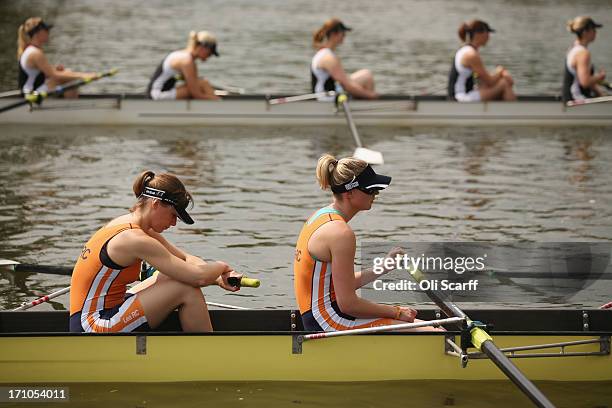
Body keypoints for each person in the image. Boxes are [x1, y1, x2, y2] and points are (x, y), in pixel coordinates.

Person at [69, 170, 240, 333]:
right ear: (156, 204)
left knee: (174, 275)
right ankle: (208, 355)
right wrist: (222, 266)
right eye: (173, 215)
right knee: (186, 287)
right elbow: (198, 277)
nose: (174, 223)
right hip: (93, 325)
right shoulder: (134, 239)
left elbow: (185, 259)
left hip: (98, 313)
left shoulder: (128, 225)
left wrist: (218, 278)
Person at [293, 154, 442, 332]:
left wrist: (384, 267)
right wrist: (396, 312)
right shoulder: (341, 233)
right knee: (436, 333)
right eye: (370, 190)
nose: (376, 194)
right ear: (349, 193)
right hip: (328, 323)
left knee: (430, 326)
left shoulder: (320, 217)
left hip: (320, 316)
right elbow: (348, 304)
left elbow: (339, 286)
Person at [17, 17, 95, 97]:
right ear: (38, 33)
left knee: (67, 73)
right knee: (68, 79)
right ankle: (71, 104)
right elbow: (54, 75)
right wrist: (84, 75)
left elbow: (45, 73)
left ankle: (70, 102)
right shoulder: (35, 53)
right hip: (31, 95)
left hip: (32, 90)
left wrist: (55, 69)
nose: (49, 33)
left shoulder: (32, 50)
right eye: (46, 30)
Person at [448, 20, 516, 102]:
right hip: (460, 98)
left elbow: (484, 81)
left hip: (464, 94)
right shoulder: (471, 54)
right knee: (504, 84)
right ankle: (514, 112)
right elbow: (490, 81)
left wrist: (501, 74)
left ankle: (507, 112)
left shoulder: (466, 50)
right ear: (478, 34)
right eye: (487, 33)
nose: (489, 37)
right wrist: (501, 70)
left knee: (490, 85)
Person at [311, 18, 378, 101]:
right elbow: (347, 85)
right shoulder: (328, 58)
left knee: (366, 75)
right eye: (343, 33)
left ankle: (365, 107)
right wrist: (371, 95)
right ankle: (368, 108)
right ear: (334, 34)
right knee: (367, 77)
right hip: (327, 100)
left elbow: (345, 82)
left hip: (328, 95)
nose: (344, 36)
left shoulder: (324, 53)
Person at [147, 31, 220, 100]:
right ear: (203, 47)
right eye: (210, 53)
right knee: (203, 84)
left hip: (158, 93)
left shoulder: (183, 55)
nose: (209, 56)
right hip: (157, 95)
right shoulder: (186, 61)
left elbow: (191, 82)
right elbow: (196, 94)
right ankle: (220, 107)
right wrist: (215, 99)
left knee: (202, 83)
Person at [563, 16, 606, 102]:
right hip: (577, 100)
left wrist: (602, 95)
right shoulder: (583, 54)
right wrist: (599, 77)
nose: (596, 33)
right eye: (593, 30)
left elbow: (583, 79)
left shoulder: (573, 48)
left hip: (571, 99)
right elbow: (585, 82)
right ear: (585, 32)